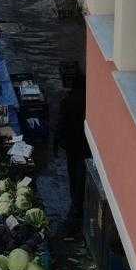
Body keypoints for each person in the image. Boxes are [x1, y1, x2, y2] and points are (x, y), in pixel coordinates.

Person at [56, 74, 90, 230]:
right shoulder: (89, 100)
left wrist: (56, 144)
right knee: (81, 174)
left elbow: (60, 124)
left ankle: (75, 206)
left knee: (73, 173)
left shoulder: (67, 101)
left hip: (71, 145)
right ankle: (78, 204)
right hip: (85, 145)